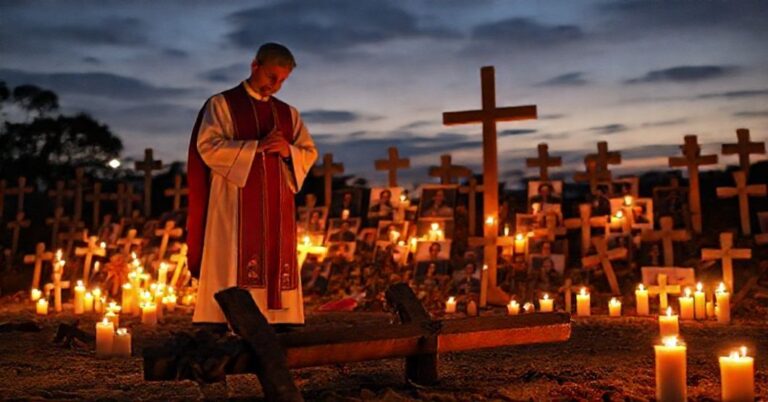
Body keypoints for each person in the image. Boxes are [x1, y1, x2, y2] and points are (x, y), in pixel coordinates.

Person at [187, 43, 318, 326]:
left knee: (275, 256)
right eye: (271, 76)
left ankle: (278, 319)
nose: (276, 85)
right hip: (234, 199)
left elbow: (308, 151)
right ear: (254, 66)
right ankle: (224, 318)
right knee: (232, 255)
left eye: (283, 80)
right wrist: (256, 147)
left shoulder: (288, 114)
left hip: (277, 202)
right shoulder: (222, 104)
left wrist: (287, 150)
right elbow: (207, 146)